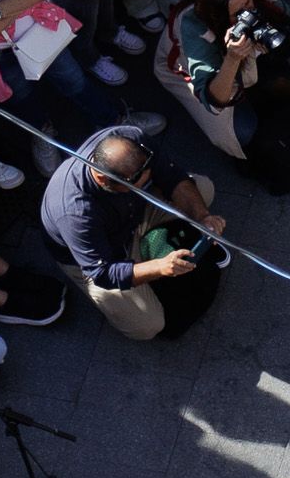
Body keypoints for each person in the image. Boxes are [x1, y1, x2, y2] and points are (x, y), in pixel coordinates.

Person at [44, 123, 228, 339]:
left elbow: (172, 176)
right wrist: (160, 267)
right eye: (134, 185)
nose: (144, 184)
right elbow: (103, 272)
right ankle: (151, 263)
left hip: (134, 213)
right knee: (147, 325)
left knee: (203, 189)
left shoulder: (131, 137)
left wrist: (202, 217)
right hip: (104, 255)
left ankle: (160, 244)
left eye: (146, 179)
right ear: (102, 179)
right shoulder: (75, 213)